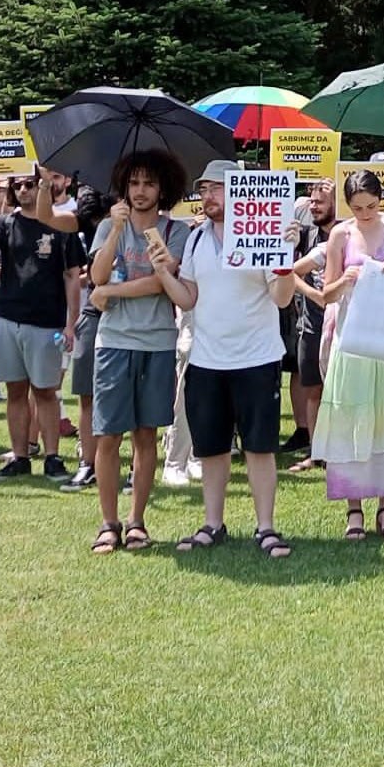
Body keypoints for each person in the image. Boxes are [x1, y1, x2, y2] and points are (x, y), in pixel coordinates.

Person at [153, 160, 301, 559]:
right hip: (207, 359)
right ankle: (213, 523)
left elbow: (282, 297)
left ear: (239, 191)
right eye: (203, 190)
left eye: (216, 189)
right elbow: (189, 298)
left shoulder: (263, 236)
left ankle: (266, 527)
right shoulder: (198, 239)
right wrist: (163, 273)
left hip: (257, 357)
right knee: (211, 447)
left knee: (259, 446)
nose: (208, 197)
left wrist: (285, 257)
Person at [85, 151, 191, 554]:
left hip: (158, 341)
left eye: (148, 183)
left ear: (162, 188)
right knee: (108, 434)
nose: (140, 191)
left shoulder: (175, 231)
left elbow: (159, 284)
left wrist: (109, 291)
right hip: (113, 342)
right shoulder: (108, 228)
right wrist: (114, 231)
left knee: (146, 434)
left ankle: (137, 521)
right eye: (134, 184)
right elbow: (95, 274)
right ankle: (108, 522)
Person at [316, 169, 384, 539]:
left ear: (381, 201)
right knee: (351, 420)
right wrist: (343, 282)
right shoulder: (339, 234)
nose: (365, 213)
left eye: (371, 206)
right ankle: (353, 509)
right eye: (358, 207)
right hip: (352, 338)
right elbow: (325, 294)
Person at [0, 169, 83, 481]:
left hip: (47, 321)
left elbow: (73, 276)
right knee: (15, 392)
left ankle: (52, 457)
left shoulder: (62, 225)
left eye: (29, 184)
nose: (23, 190)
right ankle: (20, 456)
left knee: (46, 392)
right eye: (17, 185)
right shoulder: (5, 223)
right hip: (7, 317)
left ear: (42, 186)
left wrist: (71, 323)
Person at [56, 184, 110, 492]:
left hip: (128, 314)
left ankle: (131, 469)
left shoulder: (133, 214)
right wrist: (44, 185)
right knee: (87, 395)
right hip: (93, 311)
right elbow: (47, 216)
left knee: (128, 402)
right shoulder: (84, 216)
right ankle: (88, 464)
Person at [280, 178, 336, 464]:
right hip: (312, 323)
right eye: (311, 201)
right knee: (312, 388)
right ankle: (316, 452)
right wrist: (314, 295)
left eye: (320, 202)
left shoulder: (349, 234)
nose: (313, 207)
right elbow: (288, 271)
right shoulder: (306, 235)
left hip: (344, 326)